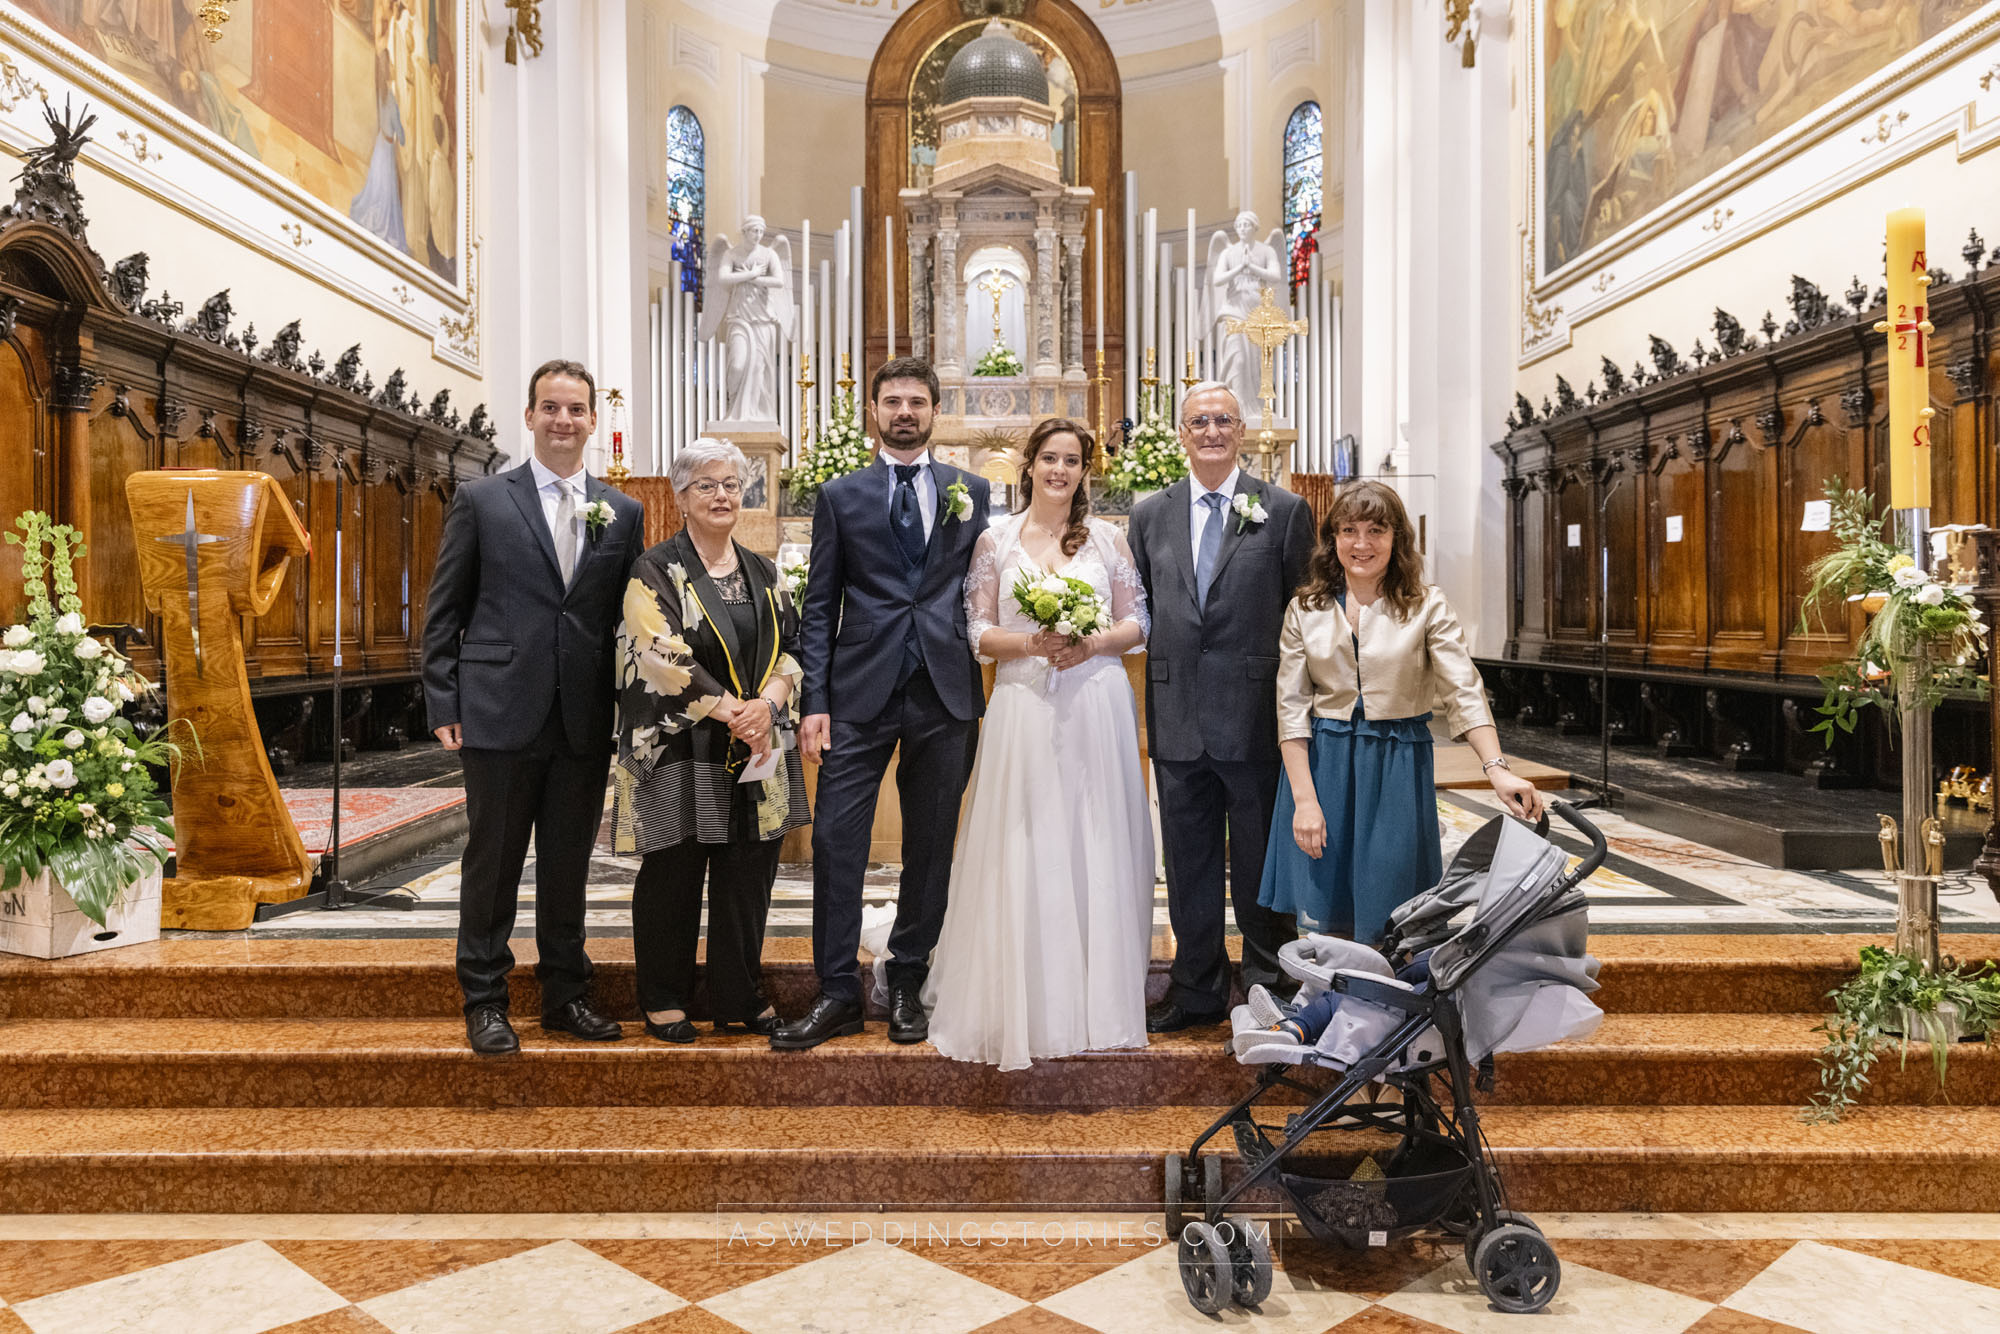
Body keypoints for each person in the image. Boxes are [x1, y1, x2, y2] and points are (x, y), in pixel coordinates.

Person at [422, 359, 646, 1055]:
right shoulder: (484, 500)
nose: (563, 420)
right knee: (492, 863)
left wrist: (633, 710)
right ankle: (485, 1000)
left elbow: (628, 619)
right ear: (529, 416)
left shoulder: (623, 511)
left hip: (583, 713)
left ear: (592, 420)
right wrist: (443, 697)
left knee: (567, 865)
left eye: (576, 409)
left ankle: (565, 994)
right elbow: (445, 608)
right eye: (550, 407)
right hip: (498, 707)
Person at [775, 357, 991, 1051]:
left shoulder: (971, 491)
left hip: (945, 690)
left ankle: (907, 980)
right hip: (857, 691)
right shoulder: (840, 495)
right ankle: (837, 990)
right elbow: (819, 605)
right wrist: (815, 701)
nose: (904, 412)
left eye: (916, 401)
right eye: (892, 401)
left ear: (935, 411)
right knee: (837, 841)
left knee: (931, 844)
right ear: (873, 411)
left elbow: (982, 588)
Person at [925, 419, 1154, 1070]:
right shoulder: (995, 539)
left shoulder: (1108, 538)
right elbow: (978, 631)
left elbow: (1138, 622)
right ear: (1028, 466)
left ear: (1085, 471)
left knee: (1094, 838)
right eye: (1049, 458)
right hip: (1023, 707)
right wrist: (1032, 642)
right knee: (1025, 842)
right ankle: (1025, 1000)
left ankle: (1098, 1002)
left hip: (1096, 703)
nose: (1059, 470)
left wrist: (1093, 642)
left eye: (1072, 460)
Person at [1260, 481, 1545, 946]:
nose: (1362, 543)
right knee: (1328, 910)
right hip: (1324, 767)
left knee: (1392, 908)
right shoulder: (1305, 608)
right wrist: (1305, 800)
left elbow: (1464, 689)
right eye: (1349, 530)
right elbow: (1290, 708)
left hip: (1396, 765)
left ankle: (1384, 991)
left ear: (1397, 538)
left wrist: (1497, 769)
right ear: (1332, 539)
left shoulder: (1426, 605)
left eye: (1376, 530)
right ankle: (1340, 991)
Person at [1128, 382, 1314, 1032]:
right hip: (1178, 714)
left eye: (1223, 420)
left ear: (1240, 430)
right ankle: (1196, 987)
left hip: (1256, 717)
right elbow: (1141, 608)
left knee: (1262, 864)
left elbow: (1303, 616)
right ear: (1182, 433)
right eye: (1199, 421)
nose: (1211, 431)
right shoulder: (1149, 516)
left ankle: (1271, 983)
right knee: (1188, 866)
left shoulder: (1284, 511)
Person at [612, 437, 809, 1043]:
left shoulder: (764, 571)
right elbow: (656, 653)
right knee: (672, 873)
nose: (721, 495)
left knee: (748, 876)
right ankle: (664, 997)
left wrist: (767, 706)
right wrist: (734, 712)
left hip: (755, 745)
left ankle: (738, 994)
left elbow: (793, 647)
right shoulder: (655, 569)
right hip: (680, 747)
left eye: (731, 484)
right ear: (680, 496)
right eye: (706, 485)